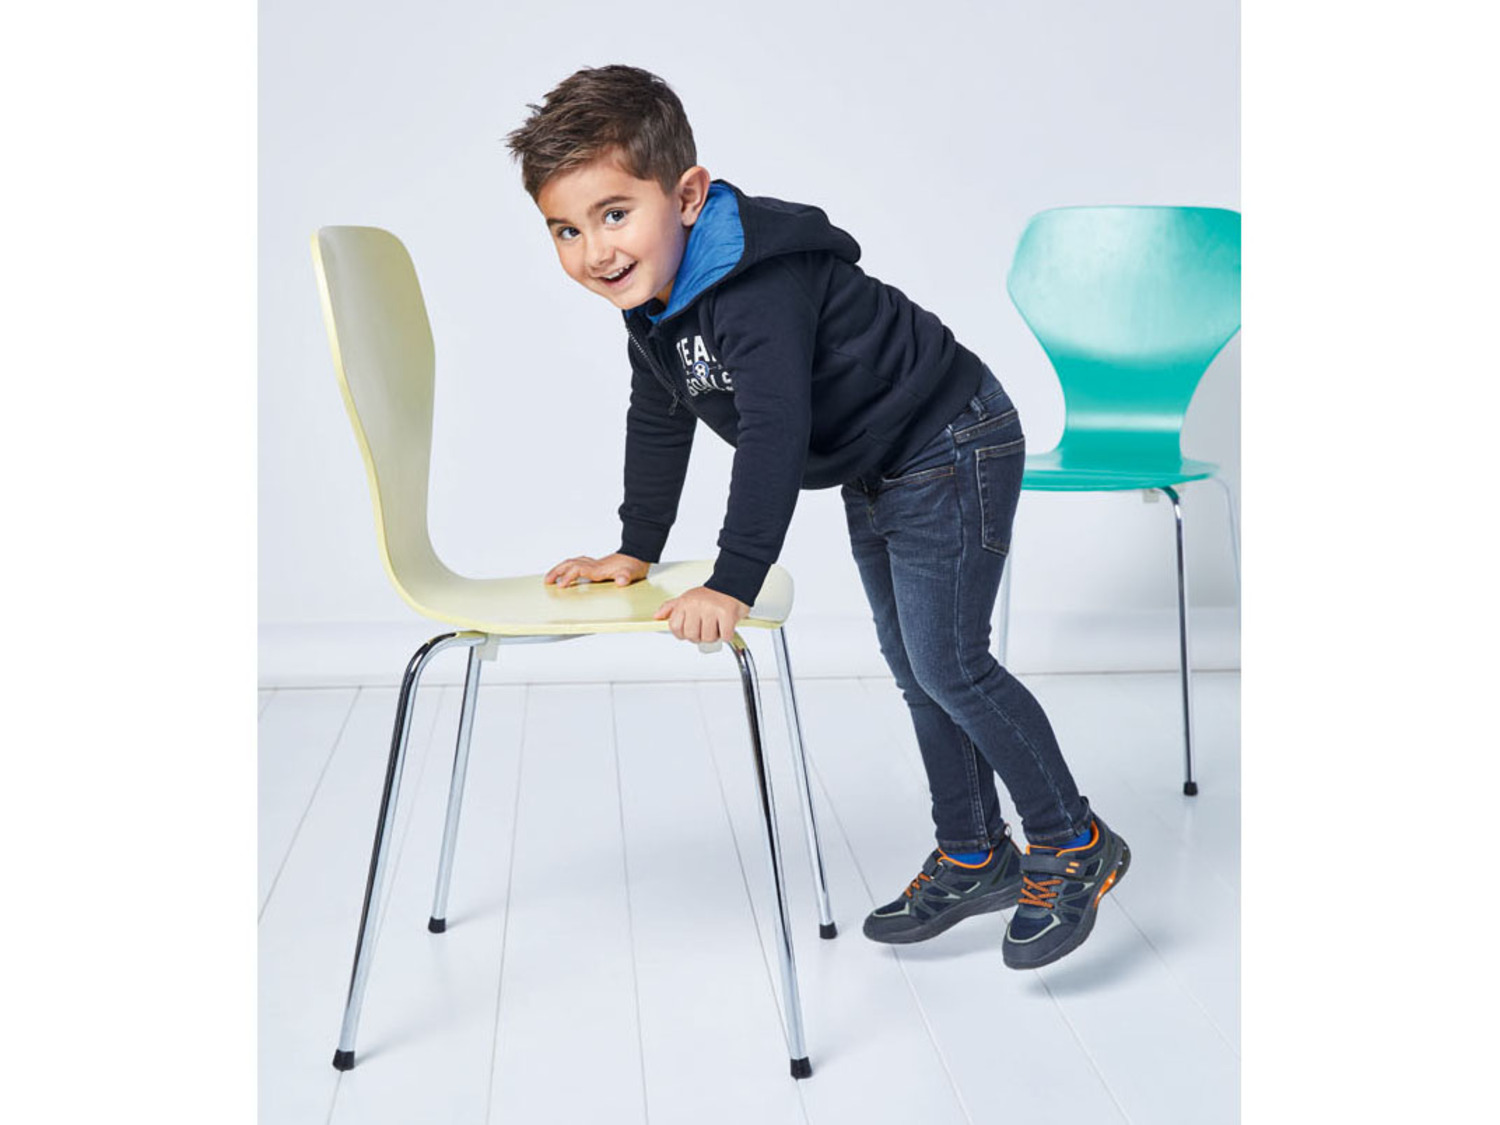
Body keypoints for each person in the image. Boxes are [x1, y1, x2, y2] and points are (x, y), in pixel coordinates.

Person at [505, 64, 1129, 969]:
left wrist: (733, 580)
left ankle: (1073, 841)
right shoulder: (654, 301)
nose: (594, 251)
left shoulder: (755, 285)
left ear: (687, 196)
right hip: (880, 465)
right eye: (566, 229)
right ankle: (973, 854)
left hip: (950, 438)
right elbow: (660, 415)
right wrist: (636, 548)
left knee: (952, 663)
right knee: (918, 669)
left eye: (614, 214)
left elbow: (774, 433)